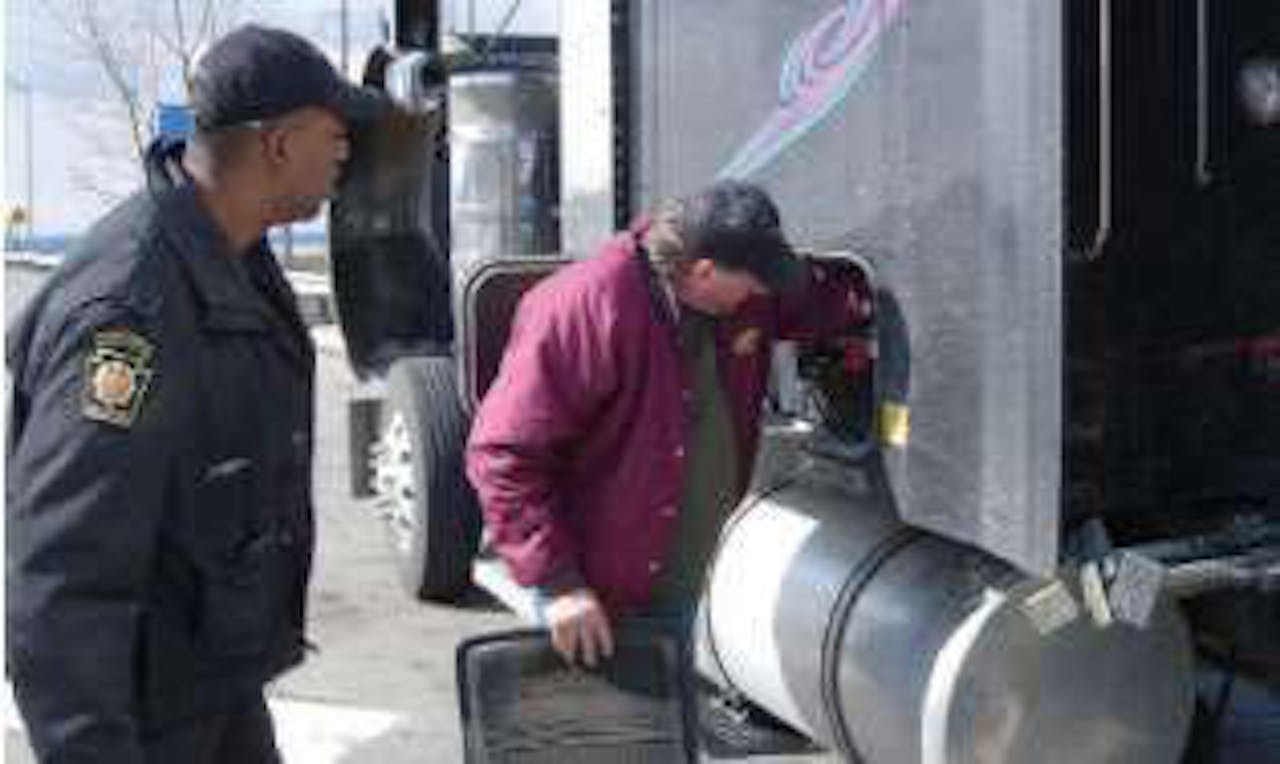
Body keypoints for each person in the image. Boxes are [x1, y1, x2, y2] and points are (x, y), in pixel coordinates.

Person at [6, 25, 384, 763]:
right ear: (278, 144)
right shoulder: (132, 313)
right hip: (148, 722)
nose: (348, 151)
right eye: (336, 131)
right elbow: (63, 583)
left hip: (214, 688)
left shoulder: (232, 259)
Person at [466, 180, 872, 667]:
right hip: (592, 594)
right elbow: (504, 453)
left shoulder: (741, 294)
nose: (762, 292)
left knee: (663, 729)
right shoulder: (585, 307)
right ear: (703, 272)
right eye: (753, 281)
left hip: (676, 577)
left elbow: (816, 302)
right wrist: (559, 584)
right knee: (592, 736)